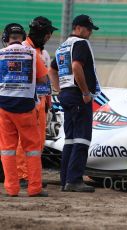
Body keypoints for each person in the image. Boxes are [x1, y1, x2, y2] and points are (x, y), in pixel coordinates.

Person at [49, 14, 100, 192]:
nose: (90, 33)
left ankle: (66, 180)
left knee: (70, 139)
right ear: (78, 27)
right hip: (79, 95)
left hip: (67, 95)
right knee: (82, 138)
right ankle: (74, 180)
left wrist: (59, 90)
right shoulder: (81, 44)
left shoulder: (63, 46)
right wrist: (85, 92)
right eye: (88, 29)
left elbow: (52, 69)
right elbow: (77, 67)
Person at [0, 23, 48, 197]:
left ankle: (11, 189)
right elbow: (43, 79)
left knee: (7, 149)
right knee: (32, 149)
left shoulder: (0, 54)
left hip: (4, 107)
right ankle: (34, 188)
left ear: (5, 38)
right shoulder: (32, 53)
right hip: (26, 108)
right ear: (23, 37)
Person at [16, 16, 57, 188]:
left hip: (41, 104)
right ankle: (22, 175)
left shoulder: (43, 53)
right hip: (27, 103)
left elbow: (45, 79)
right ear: (41, 32)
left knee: (38, 142)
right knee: (23, 140)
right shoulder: (23, 49)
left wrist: (48, 100)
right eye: (48, 33)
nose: (49, 36)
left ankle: (33, 175)